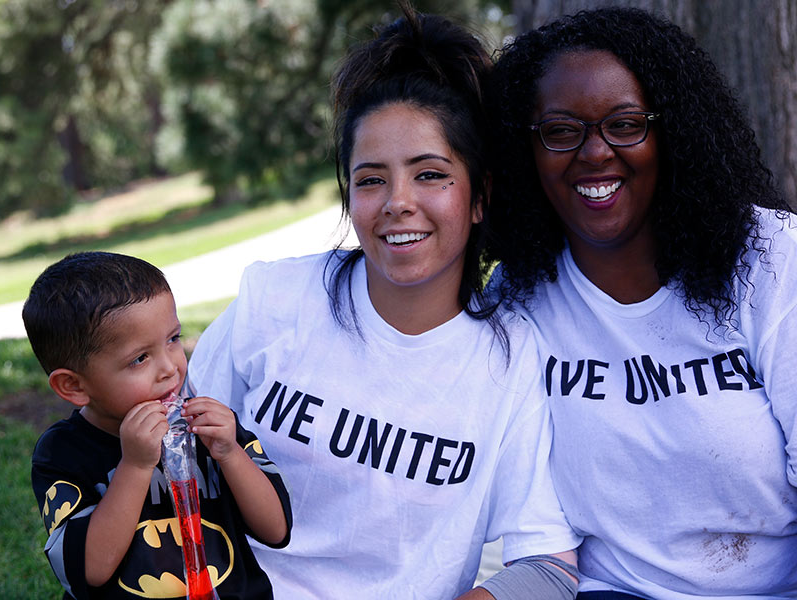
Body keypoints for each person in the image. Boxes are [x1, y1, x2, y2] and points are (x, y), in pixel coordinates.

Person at [484, 6, 797, 599]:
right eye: (562, 131)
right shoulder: (518, 298)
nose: (595, 153)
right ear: (527, 149)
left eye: (625, 125)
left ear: (673, 131)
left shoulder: (771, 262)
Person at [187, 5, 581, 599]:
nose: (397, 202)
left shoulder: (512, 358)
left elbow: (547, 566)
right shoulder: (274, 300)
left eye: (430, 174)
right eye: (371, 180)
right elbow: (174, 458)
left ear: (480, 197)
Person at [23, 251, 291, 600]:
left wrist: (230, 452)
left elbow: (276, 530)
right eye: (140, 358)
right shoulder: (63, 453)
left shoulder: (211, 428)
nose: (170, 368)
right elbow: (89, 571)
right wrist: (134, 466)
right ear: (75, 386)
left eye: (173, 339)